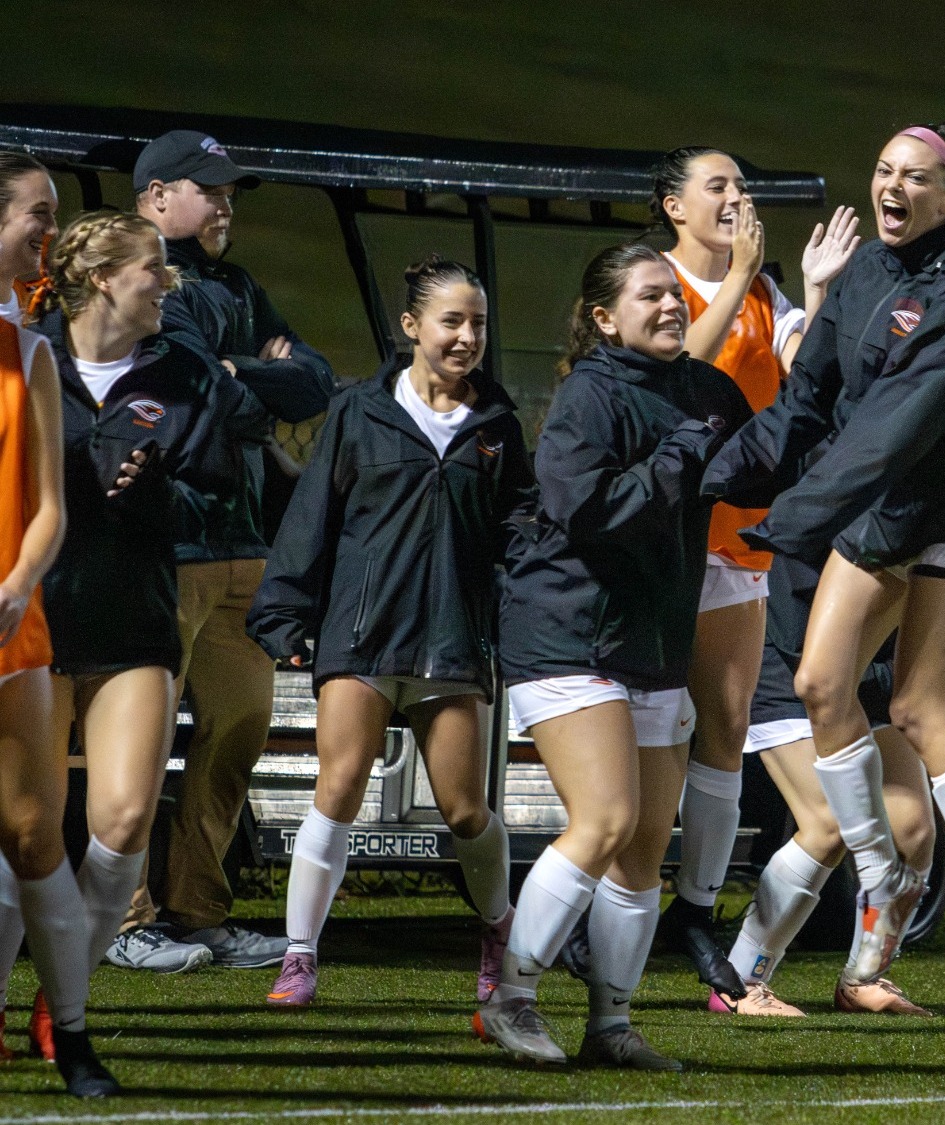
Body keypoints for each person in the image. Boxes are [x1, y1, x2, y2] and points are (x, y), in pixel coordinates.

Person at [703, 70, 945, 1004]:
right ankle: (889, 882)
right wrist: (706, 478)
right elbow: (806, 407)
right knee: (826, 683)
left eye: (917, 177)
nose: (894, 187)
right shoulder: (867, 272)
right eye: (883, 170)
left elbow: (892, 429)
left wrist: (790, 519)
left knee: (917, 707)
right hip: (889, 504)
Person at [475, 243, 750, 1069]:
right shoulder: (590, 395)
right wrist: (679, 456)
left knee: (640, 851)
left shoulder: (704, 391)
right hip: (568, 631)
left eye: (677, 294)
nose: (672, 305)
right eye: (651, 295)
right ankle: (510, 998)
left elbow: (764, 464)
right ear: (604, 317)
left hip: (651, 638)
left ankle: (612, 1025)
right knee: (605, 820)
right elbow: (584, 508)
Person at [247, 256, 534, 1007]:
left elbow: (519, 530)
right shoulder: (358, 410)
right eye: (451, 321)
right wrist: (284, 614)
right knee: (338, 784)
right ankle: (300, 956)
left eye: (477, 322)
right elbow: (314, 517)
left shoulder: (498, 422)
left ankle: (498, 928)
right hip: (362, 632)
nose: (467, 336)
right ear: (412, 327)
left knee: (466, 808)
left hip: (450, 636)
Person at [26, 210, 255, 1089]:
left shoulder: (186, 375)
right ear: (100, 279)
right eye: (153, 268)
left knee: (120, 821)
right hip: (38, 622)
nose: (170, 282)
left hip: (136, 620)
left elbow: (218, 503)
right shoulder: (29, 353)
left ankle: (65, 996)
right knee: (30, 829)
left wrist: (161, 498)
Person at [111, 131, 336, 974]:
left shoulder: (236, 282)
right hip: (163, 544)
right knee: (137, 739)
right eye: (211, 189)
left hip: (243, 545)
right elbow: (183, 389)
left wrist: (241, 375)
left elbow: (314, 380)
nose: (227, 202)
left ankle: (198, 911)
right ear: (158, 195)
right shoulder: (135, 273)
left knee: (237, 731)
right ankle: (123, 919)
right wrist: (250, 379)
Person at [645, 146, 859, 991]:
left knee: (725, 730)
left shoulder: (764, 292)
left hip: (737, 544)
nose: (737, 197)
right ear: (673, 206)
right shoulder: (657, 280)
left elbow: (805, 385)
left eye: (742, 185)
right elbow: (678, 375)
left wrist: (812, 297)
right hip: (661, 539)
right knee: (649, 731)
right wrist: (738, 278)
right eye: (717, 185)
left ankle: (693, 916)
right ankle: (614, 899)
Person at [0, 155, 119, 1098]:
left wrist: (16, 587)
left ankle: (72, 1034)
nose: (52, 230)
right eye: (37, 213)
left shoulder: (32, 352)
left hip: (10, 634)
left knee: (37, 833)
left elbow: (47, 509)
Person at [715, 588, 936, 1018]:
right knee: (828, 824)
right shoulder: (828, 523)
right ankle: (739, 981)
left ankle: (863, 979)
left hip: (866, 666)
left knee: (915, 831)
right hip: (791, 659)